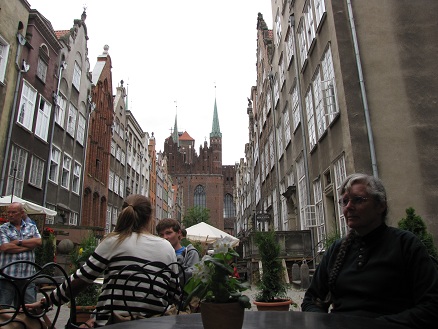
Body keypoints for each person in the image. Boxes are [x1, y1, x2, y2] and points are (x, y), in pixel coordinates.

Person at [301, 173, 438, 328]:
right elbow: (311, 300)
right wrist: (325, 323)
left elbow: (431, 306)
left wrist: (375, 325)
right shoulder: (337, 250)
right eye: (345, 201)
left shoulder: (405, 244)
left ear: (380, 205)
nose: (348, 207)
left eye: (358, 200)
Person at [27, 195, 178, 326]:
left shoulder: (114, 241)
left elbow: (81, 279)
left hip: (113, 323)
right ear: (150, 219)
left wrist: (46, 302)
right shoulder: (167, 248)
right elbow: (174, 292)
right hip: (155, 324)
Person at [0, 202, 42, 307]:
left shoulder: (31, 227)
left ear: (21, 213)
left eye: (13, 212)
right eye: (8, 212)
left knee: (29, 309)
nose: (10, 215)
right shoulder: (3, 228)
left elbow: (39, 242)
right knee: (4, 310)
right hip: (8, 276)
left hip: (27, 276)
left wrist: (18, 242)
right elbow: (5, 247)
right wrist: (29, 246)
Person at [156, 219, 200, 285]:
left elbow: (191, 277)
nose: (165, 237)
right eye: (161, 235)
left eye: (168, 233)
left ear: (179, 233)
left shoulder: (190, 253)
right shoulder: (157, 253)